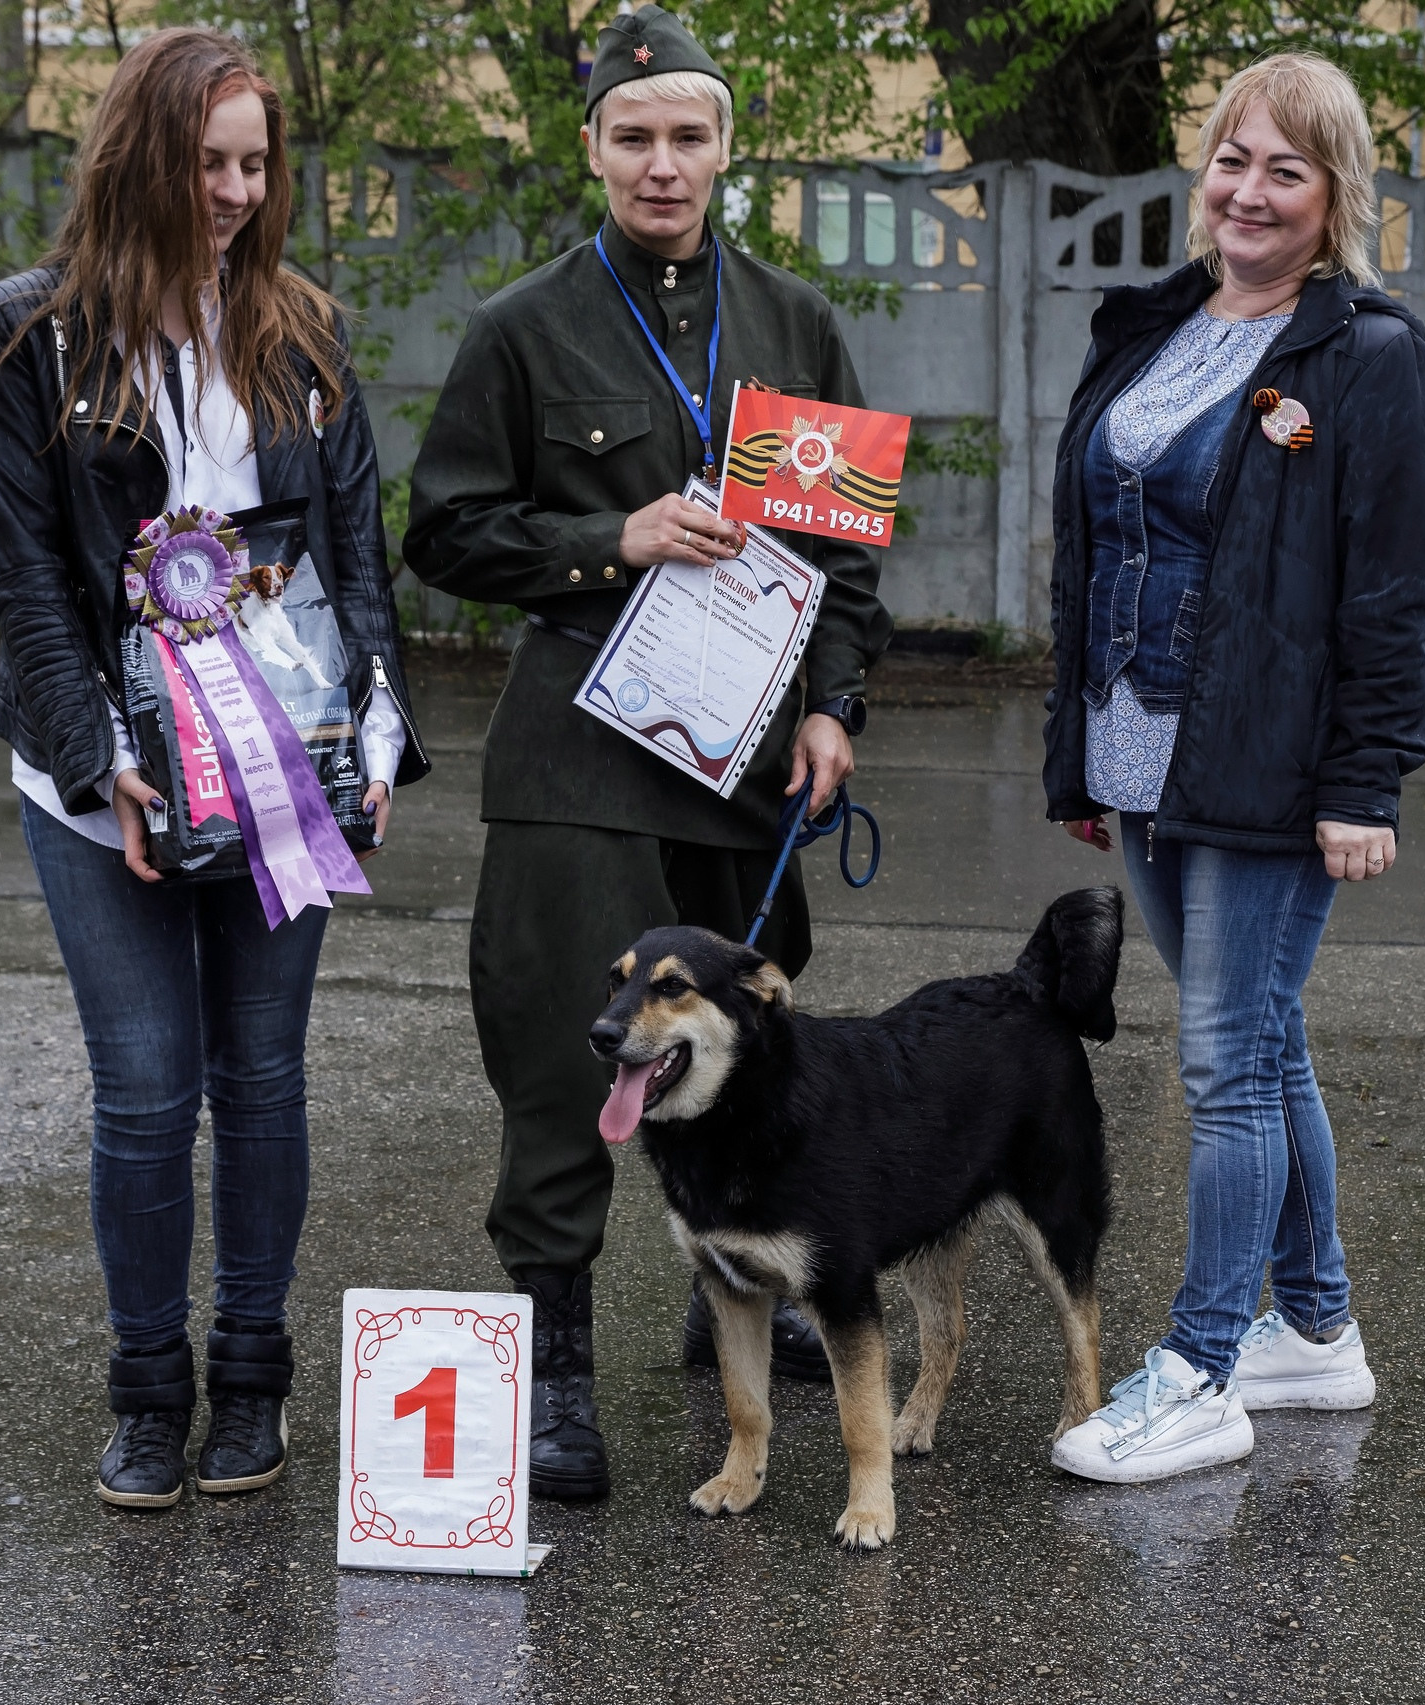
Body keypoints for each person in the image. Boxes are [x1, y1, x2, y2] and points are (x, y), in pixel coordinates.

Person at [404, 4, 890, 1502]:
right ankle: (555, 1372)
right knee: (573, 1061)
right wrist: (606, 537)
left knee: (743, 1054)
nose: (660, 164)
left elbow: (846, 558)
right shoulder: (521, 328)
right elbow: (445, 534)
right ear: (592, 147)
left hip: (741, 768)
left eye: (688, 137)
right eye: (634, 137)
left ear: (726, 149)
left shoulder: (800, 326)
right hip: (577, 771)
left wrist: (833, 706)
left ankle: (724, 1297)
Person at [0, 27, 425, 1510]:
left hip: (290, 768)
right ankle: (148, 1391)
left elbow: (358, 549)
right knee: (151, 1090)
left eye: (253, 164)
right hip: (101, 786)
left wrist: (381, 723)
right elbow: (26, 580)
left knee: (265, 1079)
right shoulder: (22, 338)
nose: (233, 190)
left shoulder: (304, 329)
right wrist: (102, 761)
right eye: (207, 161)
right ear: (140, 156)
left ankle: (251, 1381)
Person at [1040, 52, 1425, 1483]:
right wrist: (1082, 749)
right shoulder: (1157, 326)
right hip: (1139, 740)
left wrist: (1366, 781)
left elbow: (1392, 595)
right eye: (1232, 159)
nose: (1250, 190)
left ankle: (1207, 1363)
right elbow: (1095, 547)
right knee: (1263, 1041)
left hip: (1273, 765)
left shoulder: (1374, 359)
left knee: (1223, 1060)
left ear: (1335, 195)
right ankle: (1317, 1331)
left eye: (1287, 168)